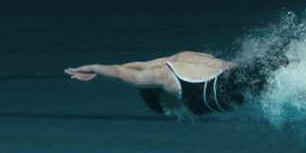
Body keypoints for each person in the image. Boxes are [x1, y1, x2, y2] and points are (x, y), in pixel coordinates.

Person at [64, 47, 288, 116]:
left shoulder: (163, 78)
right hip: (245, 71)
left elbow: (124, 74)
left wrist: (95, 69)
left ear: (158, 95)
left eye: (164, 108)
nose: (172, 111)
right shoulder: (179, 58)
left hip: (239, 84)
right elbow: (135, 65)